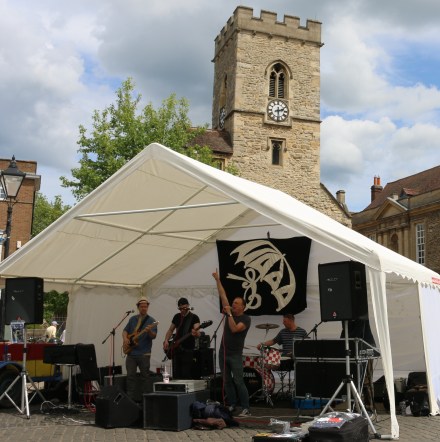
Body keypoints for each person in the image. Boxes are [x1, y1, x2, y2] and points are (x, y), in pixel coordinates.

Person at [212, 270, 251, 417]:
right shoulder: (230, 313)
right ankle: (233, 404)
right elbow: (223, 295)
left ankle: (246, 407)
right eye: (233, 303)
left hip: (235, 354)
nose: (233, 305)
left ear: (242, 307)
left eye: (236, 303)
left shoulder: (246, 319)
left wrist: (228, 313)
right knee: (227, 381)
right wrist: (217, 279)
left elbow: (235, 329)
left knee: (238, 381)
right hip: (224, 352)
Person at [122, 297, 158, 401]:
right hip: (131, 353)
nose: (144, 308)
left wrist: (149, 331)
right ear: (138, 307)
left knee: (145, 378)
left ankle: (145, 401)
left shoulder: (152, 321)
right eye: (142, 306)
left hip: (144, 354)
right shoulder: (132, 319)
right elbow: (125, 331)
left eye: (146, 306)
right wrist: (125, 339)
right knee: (130, 377)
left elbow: (153, 336)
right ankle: (130, 400)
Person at [163, 297, 201, 378]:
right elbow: (170, 330)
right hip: (177, 349)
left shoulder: (194, 317)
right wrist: (166, 340)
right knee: (176, 373)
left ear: (187, 306)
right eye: (180, 309)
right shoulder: (177, 316)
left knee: (186, 373)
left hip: (188, 349)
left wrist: (196, 333)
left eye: (184, 308)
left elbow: (198, 333)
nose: (182, 310)